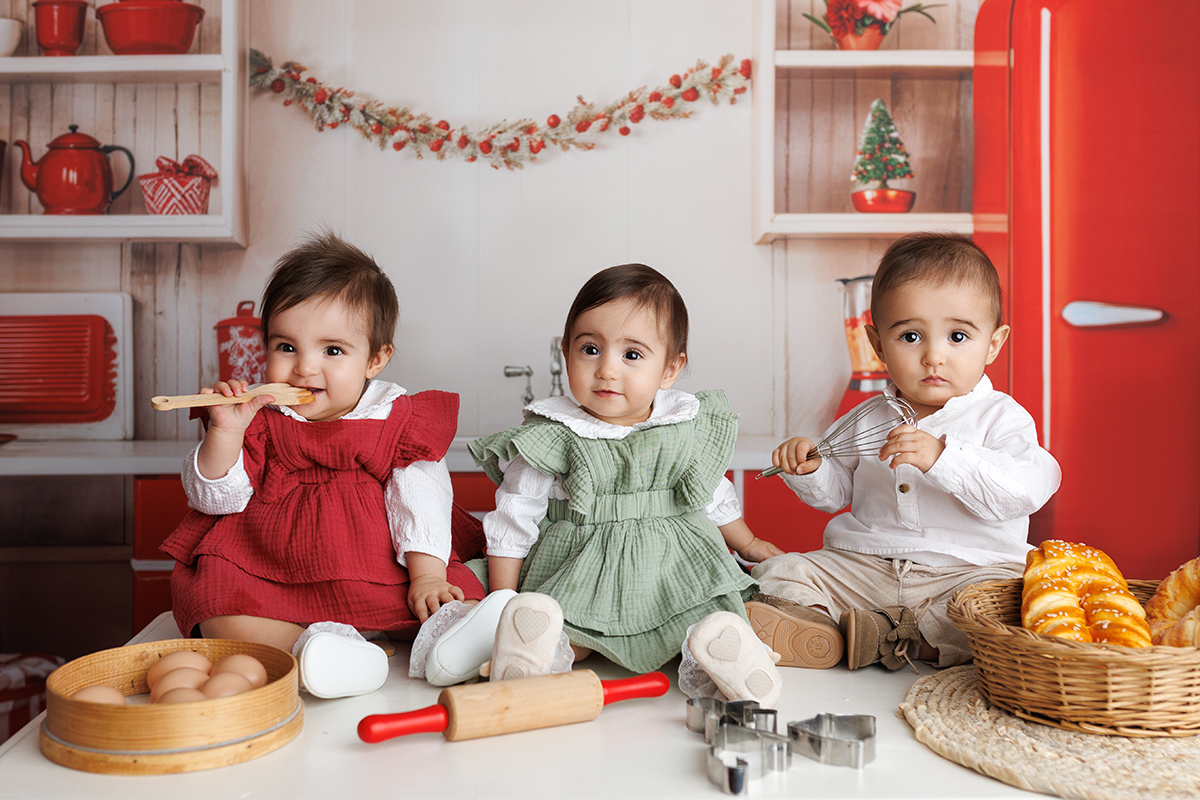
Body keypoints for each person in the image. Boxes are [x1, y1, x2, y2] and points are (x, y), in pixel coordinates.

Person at [408, 264, 786, 706]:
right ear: (566, 353)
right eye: (590, 349)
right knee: (570, 628)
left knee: (707, 614)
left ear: (670, 369)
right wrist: (504, 598)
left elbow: (709, 491)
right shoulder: (554, 432)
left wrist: (749, 542)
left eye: (631, 355)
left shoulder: (682, 423)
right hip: (583, 563)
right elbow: (514, 517)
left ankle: (728, 656)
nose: (606, 370)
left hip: (675, 564)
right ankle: (532, 652)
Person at [161, 232, 486, 699]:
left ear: (376, 358)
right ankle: (316, 650)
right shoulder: (259, 417)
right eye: (286, 347)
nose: (305, 369)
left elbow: (423, 497)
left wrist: (427, 574)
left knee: (443, 602)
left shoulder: (393, 419)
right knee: (218, 612)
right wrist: (226, 432)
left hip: (375, 566)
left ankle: (444, 645)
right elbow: (215, 497)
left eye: (332, 351)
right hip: (270, 566)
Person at [752, 232, 1062, 671]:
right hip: (865, 566)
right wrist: (812, 468)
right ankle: (831, 629)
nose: (934, 356)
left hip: (965, 573)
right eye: (911, 336)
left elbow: (1024, 490)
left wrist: (943, 457)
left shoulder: (1001, 418)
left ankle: (889, 637)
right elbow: (834, 494)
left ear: (993, 344)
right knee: (784, 571)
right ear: (878, 345)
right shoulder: (867, 418)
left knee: (1007, 603)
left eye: (957, 336)